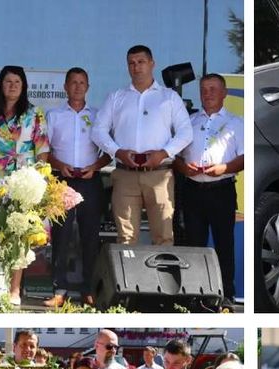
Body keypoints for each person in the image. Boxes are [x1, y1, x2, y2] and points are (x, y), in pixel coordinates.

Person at [92, 44, 192, 246]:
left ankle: (162, 278)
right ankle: (127, 279)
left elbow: (186, 133)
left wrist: (163, 153)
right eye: (131, 63)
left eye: (141, 62)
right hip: (125, 175)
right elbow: (98, 131)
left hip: (159, 174)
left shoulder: (169, 97)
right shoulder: (116, 97)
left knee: (163, 236)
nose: (136, 67)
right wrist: (117, 151)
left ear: (152, 63)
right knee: (125, 239)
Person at [0, 65, 49, 305]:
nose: (12, 85)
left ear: (23, 85)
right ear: (0, 85)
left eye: (17, 81)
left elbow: (43, 149)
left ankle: (14, 290)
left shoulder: (35, 113)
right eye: (8, 81)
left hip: (25, 180)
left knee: (20, 235)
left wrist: (39, 180)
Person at [173, 73, 243, 308]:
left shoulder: (237, 123)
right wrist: (185, 168)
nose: (208, 93)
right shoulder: (189, 123)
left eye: (213, 89)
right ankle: (196, 295)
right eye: (204, 89)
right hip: (193, 190)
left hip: (221, 190)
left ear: (224, 93)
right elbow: (176, 158)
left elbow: (245, 158)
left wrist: (225, 167)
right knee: (195, 245)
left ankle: (226, 295)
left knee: (224, 244)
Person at [44, 67, 109, 308]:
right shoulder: (54, 115)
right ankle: (59, 290)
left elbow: (110, 153)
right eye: (73, 82)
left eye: (82, 82)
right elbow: (44, 151)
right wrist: (60, 165)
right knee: (61, 237)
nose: (78, 87)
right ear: (65, 87)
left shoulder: (98, 116)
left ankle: (88, 290)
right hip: (62, 180)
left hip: (90, 180)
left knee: (90, 236)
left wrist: (95, 166)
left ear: (88, 87)